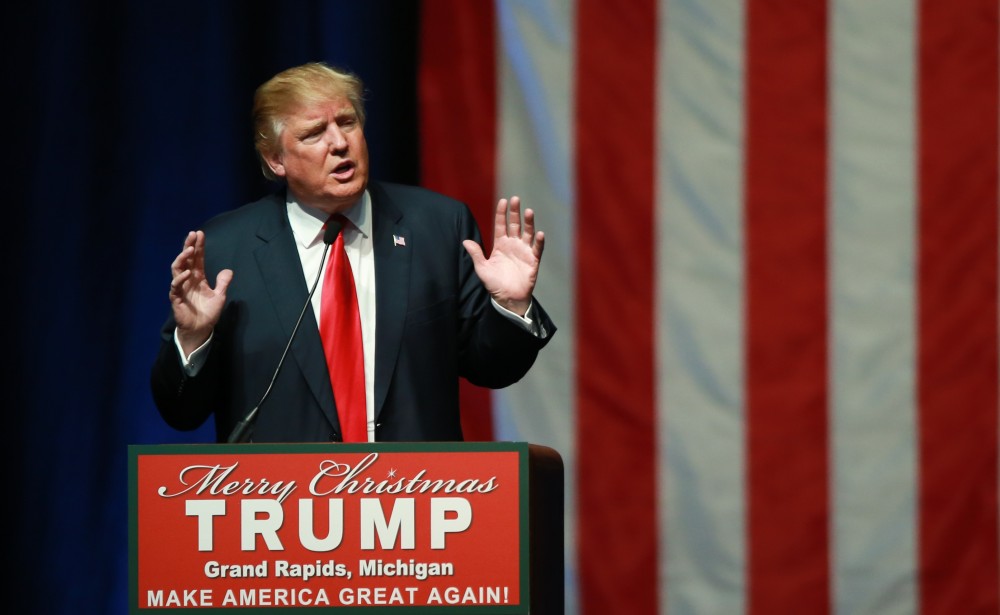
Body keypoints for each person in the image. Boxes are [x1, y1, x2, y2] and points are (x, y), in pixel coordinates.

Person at [150, 62, 555, 443]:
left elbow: (494, 369)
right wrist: (194, 337)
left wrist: (512, 308)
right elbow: (181, 412)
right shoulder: (226, 248)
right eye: (314, 133)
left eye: (348, 123)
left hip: (413, 502)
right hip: (281, 506)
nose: (340, 143)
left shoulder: (437, 227)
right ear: (276, 160)